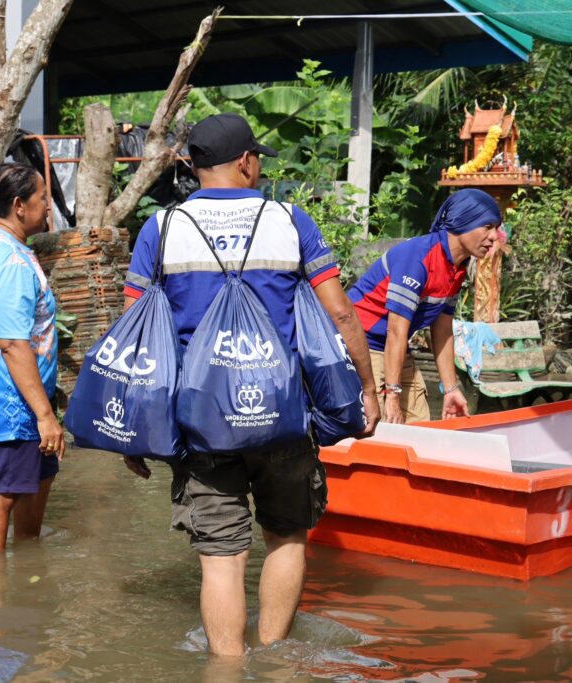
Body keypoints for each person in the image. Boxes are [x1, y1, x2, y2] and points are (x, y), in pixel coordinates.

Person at [120, 113, 381, 656]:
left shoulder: (161, 229)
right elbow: (340, 314)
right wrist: (370, 390)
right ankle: (276, 659)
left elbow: (136, 334)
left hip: (200, 422)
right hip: (282, 415)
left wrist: (135, 429)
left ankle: (227, 668)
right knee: (286, 536)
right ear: (245, 161)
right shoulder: (289, 220)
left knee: (222, 557)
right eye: (257, 157)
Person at [0, 162, 65, 553]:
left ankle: (27, 568)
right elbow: (13, 343)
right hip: (12, 398)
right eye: (43, 198)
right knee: (2, 493)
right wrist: (44, 415)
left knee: (36, 480)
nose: (48, 206)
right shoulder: (8, 259)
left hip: (16, 394)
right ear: (19, 206)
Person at [347, 189, 502, 424]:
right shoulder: (418, 257)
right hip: (363, 343)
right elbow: (395, 330)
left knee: (420, 425)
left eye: (496, 228)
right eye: (487, 227)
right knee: (382, 427)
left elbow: (442, 329)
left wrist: (451, 389)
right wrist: (392, 393)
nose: (494, 237)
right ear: (462, 221)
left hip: (395, 347)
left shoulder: (456, 268)